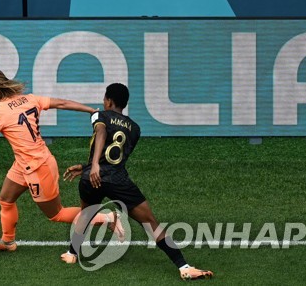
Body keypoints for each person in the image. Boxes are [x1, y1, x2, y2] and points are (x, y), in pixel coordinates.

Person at [0, 68, 119, 247]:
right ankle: (8, 242)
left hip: (38, 167)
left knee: (56, 214)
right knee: (5, 199)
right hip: (23, 163)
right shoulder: (29, 99)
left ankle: (107, 217)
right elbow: (62, 103)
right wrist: (91, 110)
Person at [60, 82, 214, 279]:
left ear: (108, 100)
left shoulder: (100, 115)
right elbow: (114, 157)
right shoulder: (135, 128)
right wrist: (86, 166)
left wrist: (92, 167)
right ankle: (184, 267)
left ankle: (72, 254)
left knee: (86, 214)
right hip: (117, 179)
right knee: (150, 222)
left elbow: (101, 133)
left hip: (93, 177)